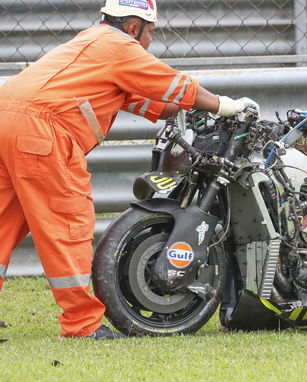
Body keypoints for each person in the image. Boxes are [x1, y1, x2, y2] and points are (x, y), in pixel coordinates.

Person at [0, 0, 258, 339]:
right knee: (68, 223)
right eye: (150, 33)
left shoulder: (90, 43)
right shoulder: (120, 46)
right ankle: (81, 325)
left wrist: (190, 111)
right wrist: (227, 106)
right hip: (42, 133)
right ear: (134, 27)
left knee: (4, 222)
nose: (150, 42)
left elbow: (153, 101)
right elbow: (177, 86)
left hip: (8, 119)